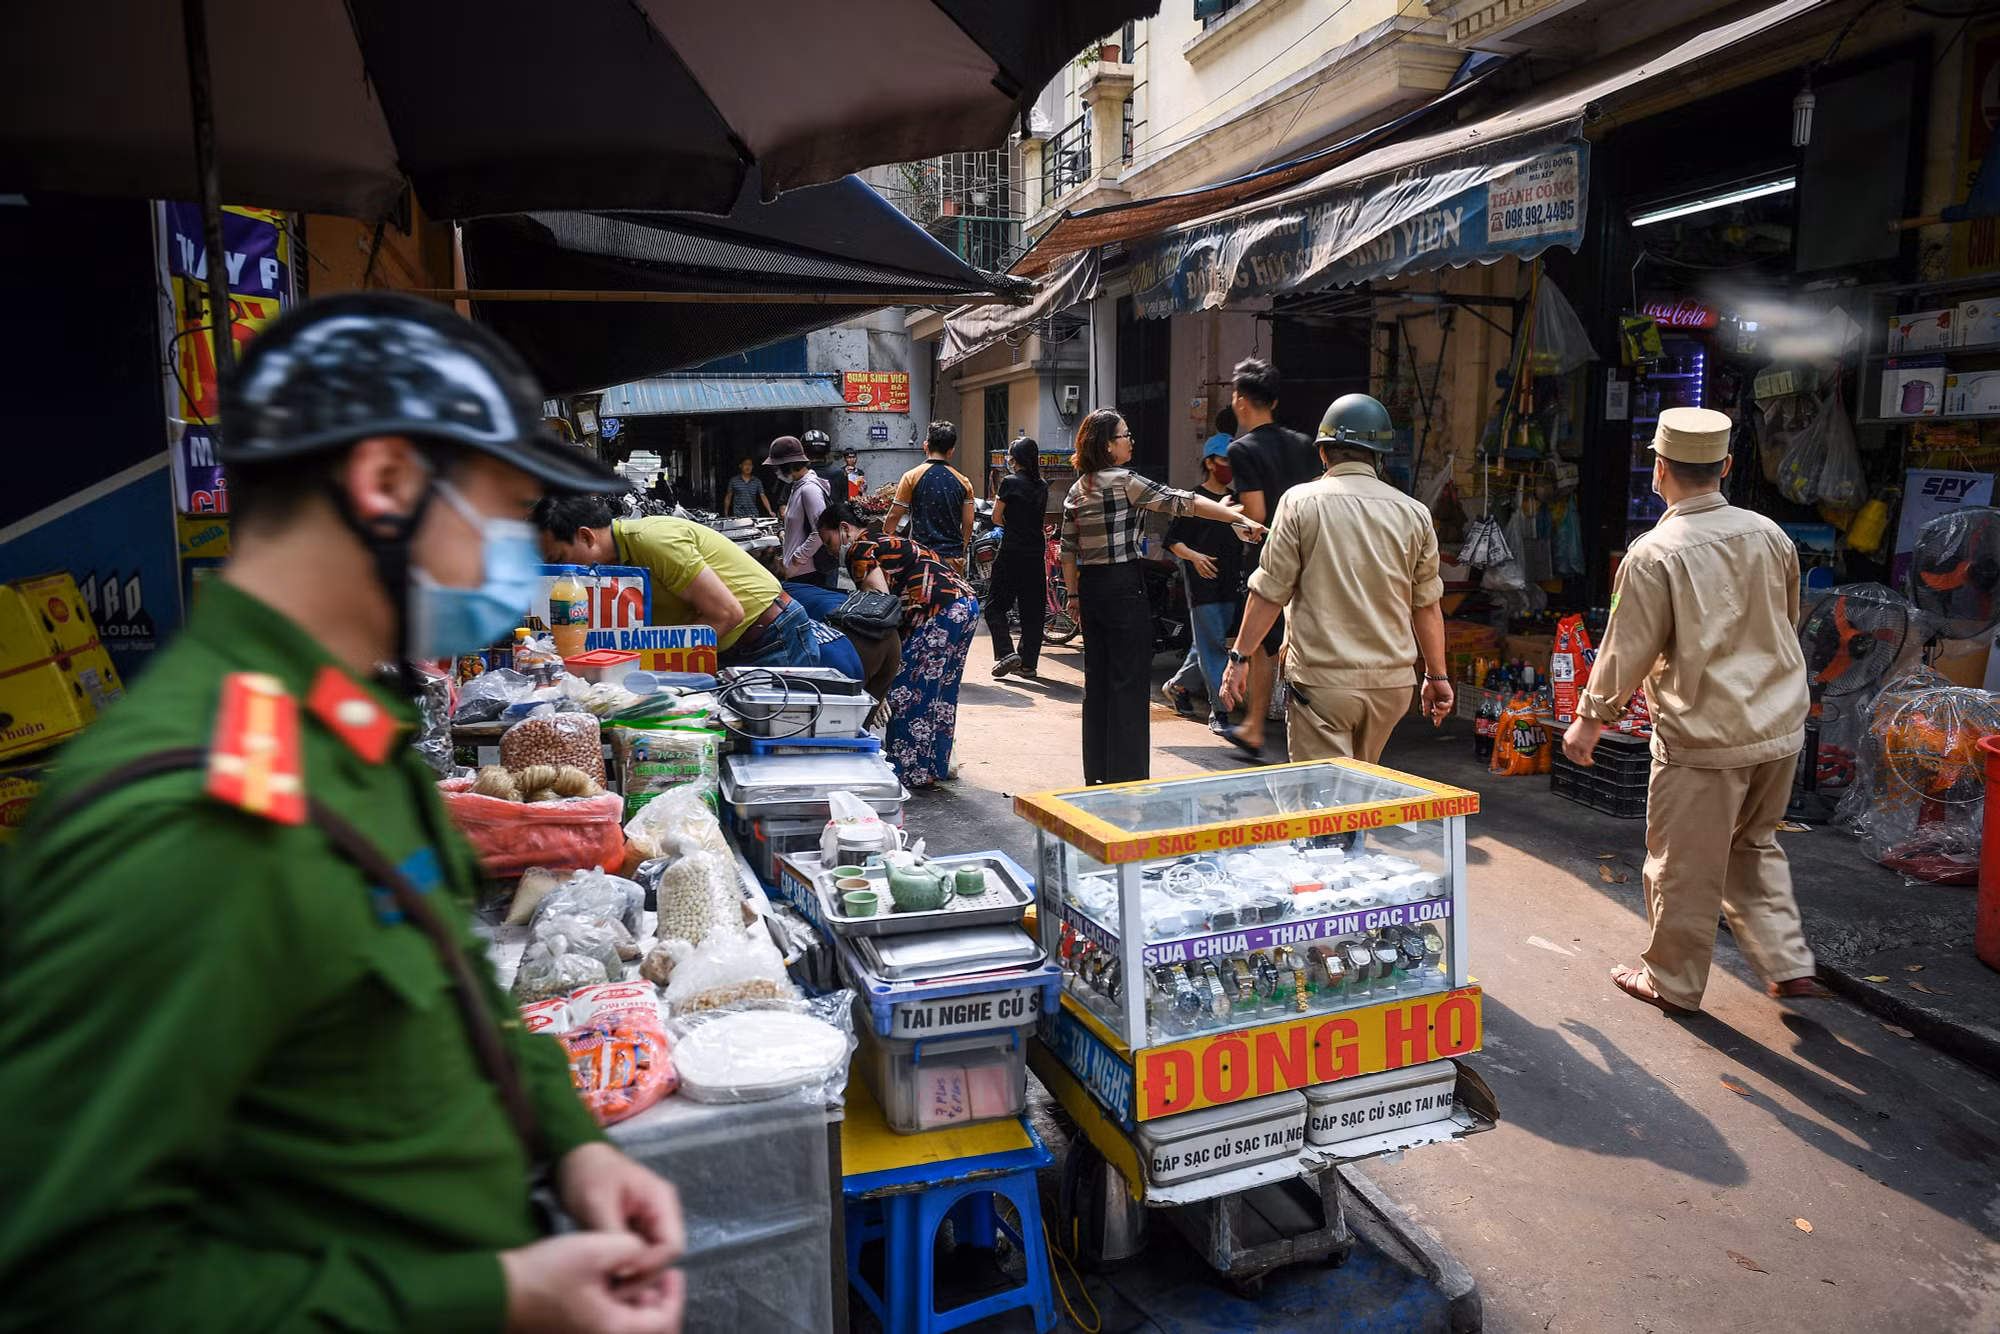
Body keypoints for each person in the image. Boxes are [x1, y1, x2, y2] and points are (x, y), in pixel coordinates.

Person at [0, 293, 686, 1334]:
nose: (515, 551)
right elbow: (83, 1289)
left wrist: (571, 1140)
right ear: (386, 484)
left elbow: (447, 987)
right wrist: (497, 1297)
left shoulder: (346, 734)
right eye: (500, 509)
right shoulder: (183, 813)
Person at [1560, 406, 1818, 1016]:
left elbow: (1629, 645)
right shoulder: (1770, 534)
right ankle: (1786, 960)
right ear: (1725, 467)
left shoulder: (1654, 553)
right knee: (1753, 845)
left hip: (1705, 737)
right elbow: (1785, 618)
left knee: (1683, 864)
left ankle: (1671, 980)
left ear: (1659, 468)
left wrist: (1590, 716)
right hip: (1780, 726)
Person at [1220, 394, 1450, 764]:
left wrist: (1239, 657)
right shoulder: (1415, 513)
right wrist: (1437, 677)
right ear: (1379, 456)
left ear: (1324, 453)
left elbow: (1269, 592)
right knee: (1361, 791)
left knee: (1322, 805)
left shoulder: (1300, 502)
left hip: (1324, 684)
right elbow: (1426, 604)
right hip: (1392, 686)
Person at [1062, 408, 1262, 785]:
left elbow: (1068, 550)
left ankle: (1099, 776)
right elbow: (1182, 501)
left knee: (1099, 682)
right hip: (1123, 586)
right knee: (1130, 683)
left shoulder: (1078, 488)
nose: (1131, 441)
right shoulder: (1125, 481)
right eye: (1126, 436)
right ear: (1108, 445)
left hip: (1091, 589)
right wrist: (1237, 518)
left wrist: (1073, 596)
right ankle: (1130, 778)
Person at [538, 497, 821, 670]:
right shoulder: (617, 566)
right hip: (735, 645)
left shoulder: (651, 539)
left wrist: (662, 671)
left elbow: (726, 614)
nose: (556, 569)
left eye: (558, 557)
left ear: (586, 537)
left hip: (772, 640)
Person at [817, 501, 979, 789]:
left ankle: (906, 772)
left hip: (937, 612)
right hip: (965, 604)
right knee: (939, 694)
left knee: (906, 694)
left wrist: (884, 670)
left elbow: (878, 608)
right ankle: (932, 767)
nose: (830, 550)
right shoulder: (887, 539)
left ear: (844, 529)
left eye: (828, 540)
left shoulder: (859, 549)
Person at [1222, 357, 1322, 758]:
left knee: (1261, 643)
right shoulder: (1303, 444)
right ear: (1274, 402)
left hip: (1268, 555)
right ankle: (1290, 721)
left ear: (1241, 401)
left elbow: (1257, 513)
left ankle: (1254, 727)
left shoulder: (1242, 449)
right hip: (1311, 552)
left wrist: (1230, 512)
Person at [1163, 409, 1243, 735]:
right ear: (1211, 462)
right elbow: (1172, 541)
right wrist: (1194, 557)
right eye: (1226, 460)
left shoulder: (1238, 500)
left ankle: (1178, 687)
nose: (1230, 468)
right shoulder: (1193, 500)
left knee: (1206, 645)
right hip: (1202, 583)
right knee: (1213, 648)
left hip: (1231, 583)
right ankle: (1219, 712)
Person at [985, 435, 1051, 680]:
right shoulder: (1042, 485)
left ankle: (1006, 652)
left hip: (1011, 551)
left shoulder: (1009, 482)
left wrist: (1011, 525)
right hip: (1035, 553)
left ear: (1015, 459)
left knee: (995, 607)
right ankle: (1028, 665)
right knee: (1032, 611)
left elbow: (995, 517)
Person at [886, 421, 974, 569]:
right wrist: (962, 550)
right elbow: (969, 523)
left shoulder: (911, 477)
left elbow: (894, 516)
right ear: (951, 451)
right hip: (952, 559)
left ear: (925, 446)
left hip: (921, 558)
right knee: (950, 592)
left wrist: (890, 540)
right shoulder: (963, 482)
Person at [766, 434, 837, 591]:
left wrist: (798, 558)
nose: (775, 472)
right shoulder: (797, 486)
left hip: (808, 572)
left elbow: (820, 531)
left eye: (776, 467)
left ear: (789, 465)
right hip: (798, 571)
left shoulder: (809, 489)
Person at [803, 429, 847, 500]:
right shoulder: (839, 474)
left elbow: (784, 506)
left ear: (805, 452)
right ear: (827, 452)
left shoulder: (799, 475)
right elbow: (844, 502)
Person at [724, 454, 773, 518]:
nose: (748, 467)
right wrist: (725, 513)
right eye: (745, 464)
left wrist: (770, 511)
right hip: (738, 514)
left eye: (750, 465)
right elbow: (728, 497)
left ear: (752, 467)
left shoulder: (757, 481)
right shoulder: (734, 481)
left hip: (753, 514)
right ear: (740, 466)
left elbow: (763, 496)